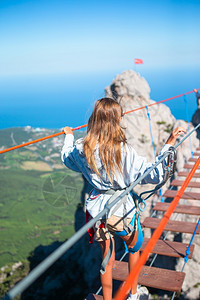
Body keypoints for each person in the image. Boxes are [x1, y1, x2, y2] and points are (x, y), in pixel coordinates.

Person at [61, 98, 186, 300]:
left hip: (98, 214)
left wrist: (68, 136)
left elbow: (67, 158)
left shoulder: (82, 148)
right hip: (121, 211)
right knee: (135, 247)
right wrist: (169, 144)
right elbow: (152, 175)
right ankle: (134, 294)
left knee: (106, 261)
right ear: (115, 121)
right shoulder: (123, 151)